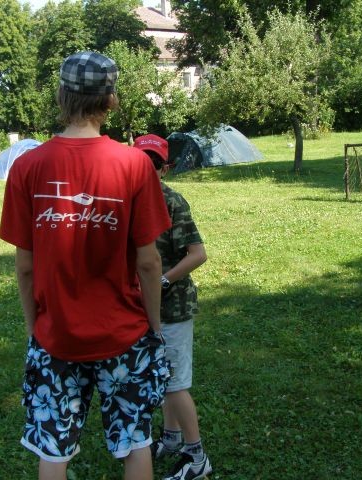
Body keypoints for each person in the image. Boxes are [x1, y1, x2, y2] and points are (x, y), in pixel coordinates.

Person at [0, 52, 172, 480]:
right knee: (135, 443)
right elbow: (149, 262)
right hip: (125, 333)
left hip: (55, 335)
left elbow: (25, 266)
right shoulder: (135, 164)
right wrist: (154, 326)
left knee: (53, 451)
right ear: (110, 99)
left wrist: (34, 326)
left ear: (61, 96)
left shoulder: (27, 167)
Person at [133, 134, 212, 480]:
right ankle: (171, 437)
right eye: (140, 162)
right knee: (163, 378)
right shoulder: (128, 201)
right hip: (142, 308)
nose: (146, 169)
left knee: (175, 383)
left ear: (164, 169)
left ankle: (197, 457)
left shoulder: (172, 202)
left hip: (174, 308)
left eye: (153, 164)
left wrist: (161, 282)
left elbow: (198, 254)